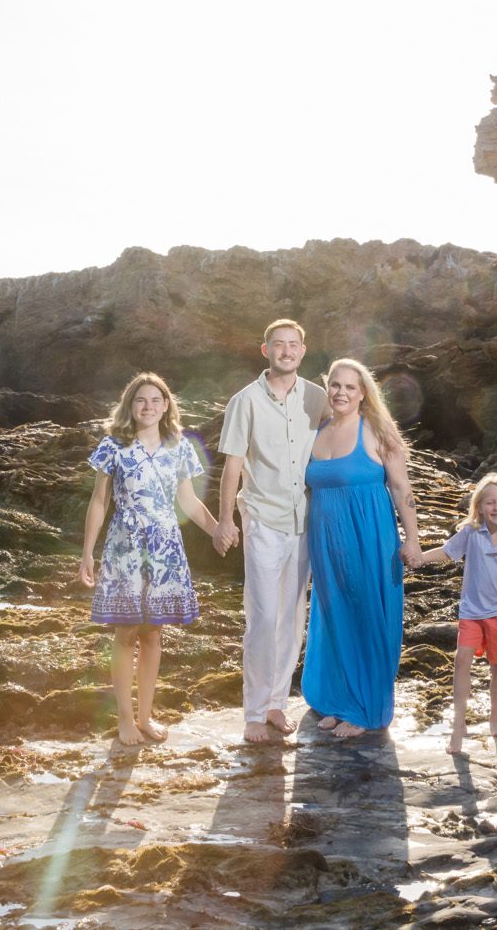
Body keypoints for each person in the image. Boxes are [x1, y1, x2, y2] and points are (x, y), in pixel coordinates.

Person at [79, 372, 220, 746]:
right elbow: (99, 501)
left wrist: (219, 529)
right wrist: (87, 553)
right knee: (126, 632)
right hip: (125, 546)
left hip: (165, 548)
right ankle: (124, 720)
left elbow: (188, 501)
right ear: (130, 405)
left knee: (154, 632)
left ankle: (145, 717)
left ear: (166, 406)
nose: (148, 407)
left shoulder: (179, 446)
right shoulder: (114, 446)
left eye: (156, 400)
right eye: (141, 400)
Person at [214, 319, 326, 745]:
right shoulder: (244, 402)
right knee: (262, 618)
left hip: (305, 523)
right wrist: (226, 520)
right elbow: (232, 467)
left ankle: (277, 702)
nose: (286, 351)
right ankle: (254, 712)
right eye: (278, 345)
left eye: (293, 344)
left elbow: (346, 433)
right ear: (265, 350)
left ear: (303, 349)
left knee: (293, 618)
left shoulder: (317, 397)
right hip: (262, 521)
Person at [301, 357, 421, 739]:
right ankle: (339, 700)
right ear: (327, 386)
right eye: (335, 385)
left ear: (363, 393)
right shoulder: (314, 431)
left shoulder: (377, 432)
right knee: (334, 614)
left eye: (350, 387)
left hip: (369, 536)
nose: (340, 392)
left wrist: (413, 540)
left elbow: (402, 490)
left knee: (367, 613)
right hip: (325, 539)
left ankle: (367, 710)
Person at [414, 472, 497, 752]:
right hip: (471, 612)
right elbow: (448, 552)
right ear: (480, 507)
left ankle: (495, 718)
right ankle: (459, 724)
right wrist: (420, 558)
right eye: (490, 503)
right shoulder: (471, 533)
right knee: (462, 659)